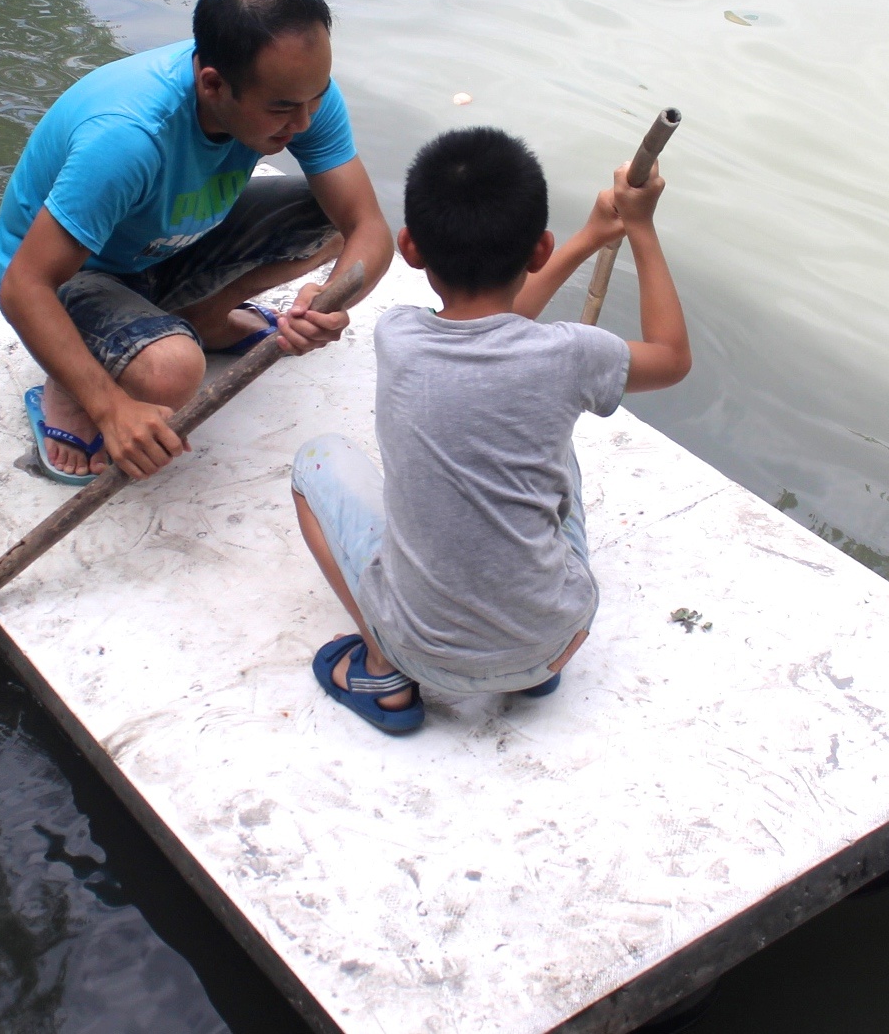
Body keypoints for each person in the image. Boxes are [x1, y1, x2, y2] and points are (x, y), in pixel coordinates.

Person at [288, 127, 690, 734]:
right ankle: (528, 666)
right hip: (557, 638)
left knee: (315, 461)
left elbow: (493, 324)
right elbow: (672, 355)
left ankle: (383, 669)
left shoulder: (396, 334)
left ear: (411, 248)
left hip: (426, 654)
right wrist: (638, 227)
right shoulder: (574, 357)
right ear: (539, 249)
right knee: (557, 451)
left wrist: (590, 236)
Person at [0, 0, 393, 484]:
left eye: (317, 96)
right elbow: (22, 285)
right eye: (283, 108)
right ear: (213, 84)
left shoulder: (301, 95)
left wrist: (329, 300)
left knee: (334, 224)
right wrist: (111, 406)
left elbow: (368, 225)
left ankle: (205, 313)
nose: (305, 123)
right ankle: (67, 387)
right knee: (172, 373)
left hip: (161, 244)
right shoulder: (128, 136)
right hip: (74, 272)